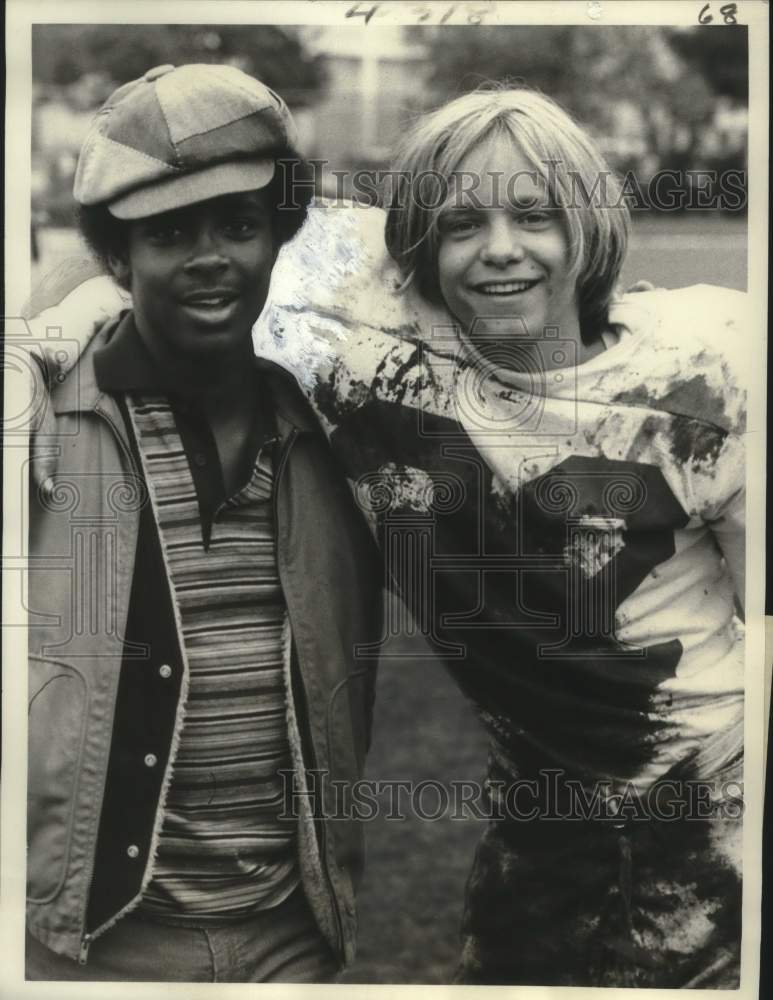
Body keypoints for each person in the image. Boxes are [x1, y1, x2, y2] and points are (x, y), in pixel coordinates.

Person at [24, 85, 747, 988]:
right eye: (459, 225)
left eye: (536, 215)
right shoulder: (358, 331)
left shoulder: (712, 367)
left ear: (590, 223)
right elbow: (113, 256)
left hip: (721, 827)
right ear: (413, 245)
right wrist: (32, 344)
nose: (500, 250)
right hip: (536, 846)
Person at [25, 63, 382, 983]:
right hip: (92, 947)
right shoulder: (39, 427)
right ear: (117, 257)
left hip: (290, 938)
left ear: (277, 238)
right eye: (169, 233)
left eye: (238, 225)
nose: (210, 256)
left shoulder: (335, 427)